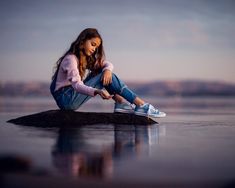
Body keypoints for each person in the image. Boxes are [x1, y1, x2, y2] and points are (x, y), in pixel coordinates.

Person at [50, 28, 166, 118]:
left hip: (69, 96)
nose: (94, 49)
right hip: (66, 99)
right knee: (103, 75)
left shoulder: (84, 59)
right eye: (93, 44)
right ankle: (140, 105)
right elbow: (76, 85)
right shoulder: (71, 59)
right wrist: (97, 91)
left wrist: (107, 70)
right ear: (83, 41)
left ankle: (120, 102)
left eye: (96, 47)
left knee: (104, 72)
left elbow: (108, 64)